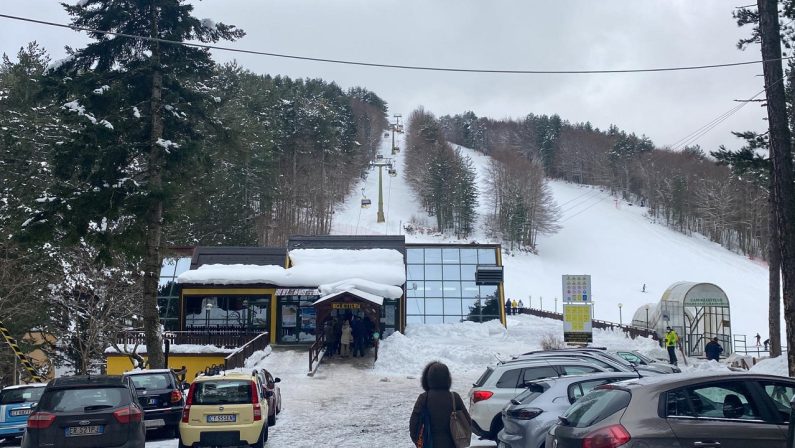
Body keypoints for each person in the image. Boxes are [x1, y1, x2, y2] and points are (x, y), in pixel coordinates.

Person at [409, 361, 471, 448]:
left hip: (429, 444)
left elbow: (414, 425)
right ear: (448, 379)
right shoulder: (454, 397)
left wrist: (419, 442)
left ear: (428, 379)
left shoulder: (424, 398)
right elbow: (467, 422)